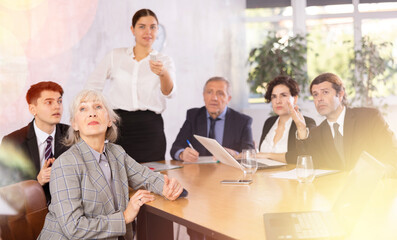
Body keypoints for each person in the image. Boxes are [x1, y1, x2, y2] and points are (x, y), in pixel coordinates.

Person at [38, 90, 184, 240]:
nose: (92, 113)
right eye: (83, 109)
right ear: (74, 124)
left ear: (109, 120)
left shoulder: (117, 153)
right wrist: (125, 217)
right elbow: (73, 228)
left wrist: (167, 187)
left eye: (98, 107)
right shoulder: (65, 164)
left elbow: (145, 176)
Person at [85, 9, 175, 163]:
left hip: (151, 128)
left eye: (153, 27)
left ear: (157, 30)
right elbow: (92, 88)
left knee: (154, 177)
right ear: (132, 30)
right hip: (120, 127)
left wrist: (163, 73)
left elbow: (168, 93)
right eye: (142, 26)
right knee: (120, 178)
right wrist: (102, 114)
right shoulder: (115, 56)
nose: (148, 31)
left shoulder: (164, 61)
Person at [290, 72, 397, 171]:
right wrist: (301, 128)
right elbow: (309, 165)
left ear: (340, 95)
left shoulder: (369, 118)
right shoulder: (318, 132)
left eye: (325, 92)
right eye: (315, 94)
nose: (319, 99)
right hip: (336, 189)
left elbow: (392, 154)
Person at [1, 81, 69, 203]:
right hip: (32, 211)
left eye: (59, 101)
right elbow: (6, 189)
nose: (57, 106)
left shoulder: (73, 135)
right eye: (49, 102)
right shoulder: (12, 142)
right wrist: (37, 182)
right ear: (33, 109)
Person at [170, 76, 254, 162]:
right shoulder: (193, 116)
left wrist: (234, 154)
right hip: (198, 172)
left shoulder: (242, 121)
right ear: (204, 96)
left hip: (228, 171)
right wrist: (182, 154)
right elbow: (175, 148)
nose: (214, 98)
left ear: (228, 99)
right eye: (209, 92)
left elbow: (249, 153)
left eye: (220, 93)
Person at [258, 76, 316, 164]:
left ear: (295, 98)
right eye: (274, 97)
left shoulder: (307, 122)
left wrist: (267, 155)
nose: (278, 101)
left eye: (283, 95)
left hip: (289, 176)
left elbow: (302, 157)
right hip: (264, 175)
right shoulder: (269, 122)